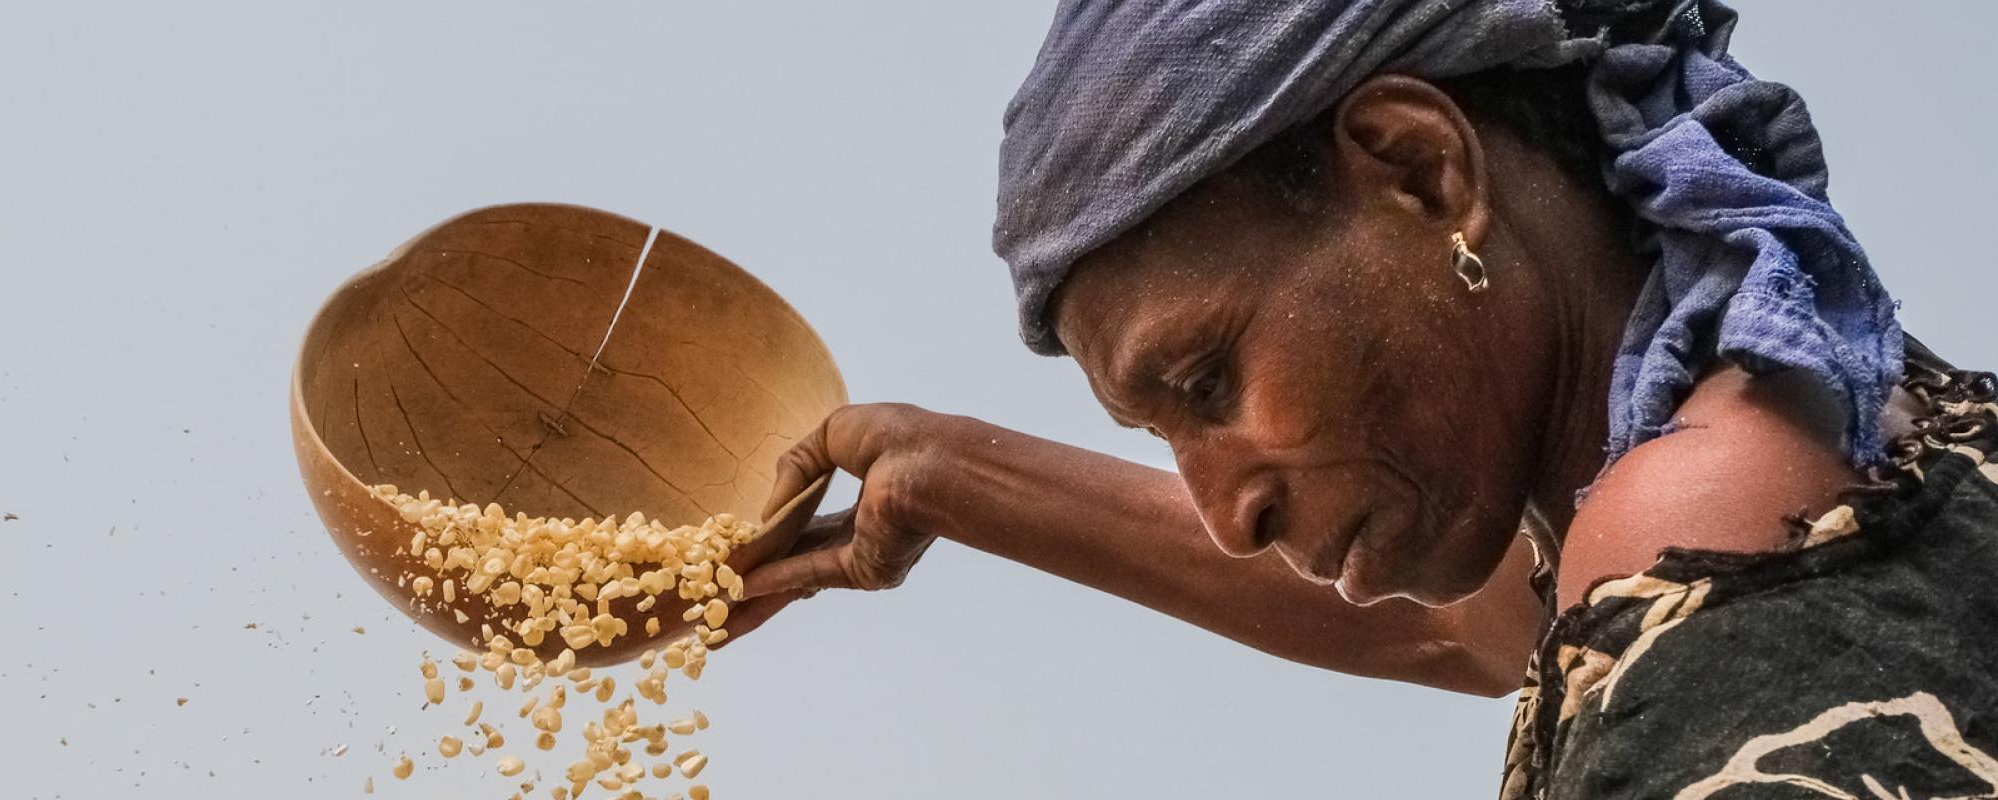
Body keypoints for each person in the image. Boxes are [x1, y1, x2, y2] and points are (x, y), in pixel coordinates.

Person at [729, 1, 1998, 797]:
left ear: (1419, 167)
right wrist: (942, 475)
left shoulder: (1700, 525)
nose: (1226, 511)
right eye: (1166, 433)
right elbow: (1468, 626)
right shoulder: (1794, 434)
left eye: (1208, 381)